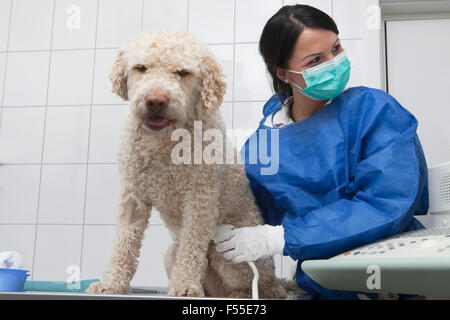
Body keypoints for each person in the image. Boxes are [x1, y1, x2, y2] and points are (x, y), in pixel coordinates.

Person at [214, 4, 429, 300]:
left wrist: (281, 237)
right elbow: (251, 209)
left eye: (336, 48)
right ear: (283, 73)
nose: (334, 62)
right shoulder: (266, 137)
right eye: (316, 60)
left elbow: (386, 202)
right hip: (318, 286)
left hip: (390, 280)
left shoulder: (374, 111)